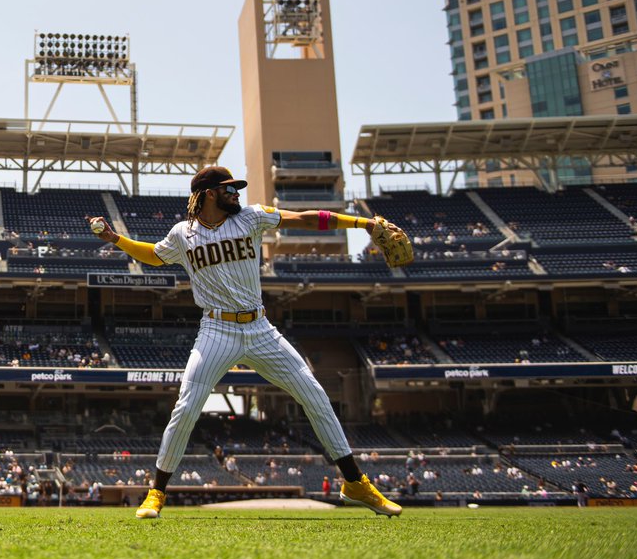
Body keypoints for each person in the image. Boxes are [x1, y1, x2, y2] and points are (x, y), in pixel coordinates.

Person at [88, 165, 403, 519]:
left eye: (237, 188)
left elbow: (304, 218)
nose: (237, 193)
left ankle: (355, 483)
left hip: (261, 328)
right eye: (229, 188)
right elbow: (154, 255)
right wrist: (117, 240)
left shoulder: (251, 217)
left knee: (314, 393)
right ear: (209, 194)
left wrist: (363, 224)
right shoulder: (183, 234)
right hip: (216, 330)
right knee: (188, 406)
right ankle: (156, 493)